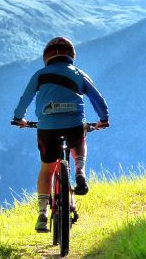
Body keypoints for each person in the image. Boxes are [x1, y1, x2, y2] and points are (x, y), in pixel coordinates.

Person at [11, 36, 110, 232]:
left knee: (47, 170)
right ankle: (80, 172)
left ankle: (42, 214)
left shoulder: (40, 75)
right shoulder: (79, 73)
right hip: (74, 125)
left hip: (48, 129)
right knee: (80, 135)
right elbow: (97, 98)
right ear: (71, 55)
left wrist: (18, 118)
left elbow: (25, 99)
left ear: (47, 57)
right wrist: (103, 119)